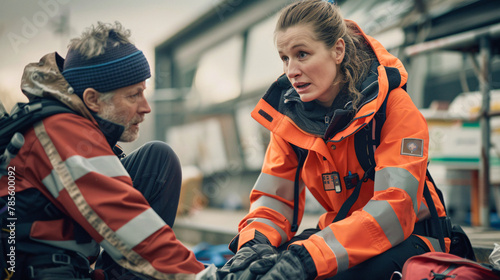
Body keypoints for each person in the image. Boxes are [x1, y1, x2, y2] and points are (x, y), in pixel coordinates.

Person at [220, 1, 452, 279]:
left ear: (338, 50)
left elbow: (395, 209)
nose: (291, 70)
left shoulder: (394, 108)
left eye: (302, 54)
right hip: (338, 238)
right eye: (284, 58)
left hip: (412, 240)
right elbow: (272, 201)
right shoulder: (291, 122)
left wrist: (307, 259)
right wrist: (252, 246)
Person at [0, 21, 205, 279]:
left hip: (71, 264)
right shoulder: (60, 130)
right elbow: (125, 216)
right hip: (31, 270)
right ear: (93, 99)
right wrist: (202, 276)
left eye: (144, 93)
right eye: (133, 95)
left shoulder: (77, 127)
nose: (146, 107)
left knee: (157, 160)